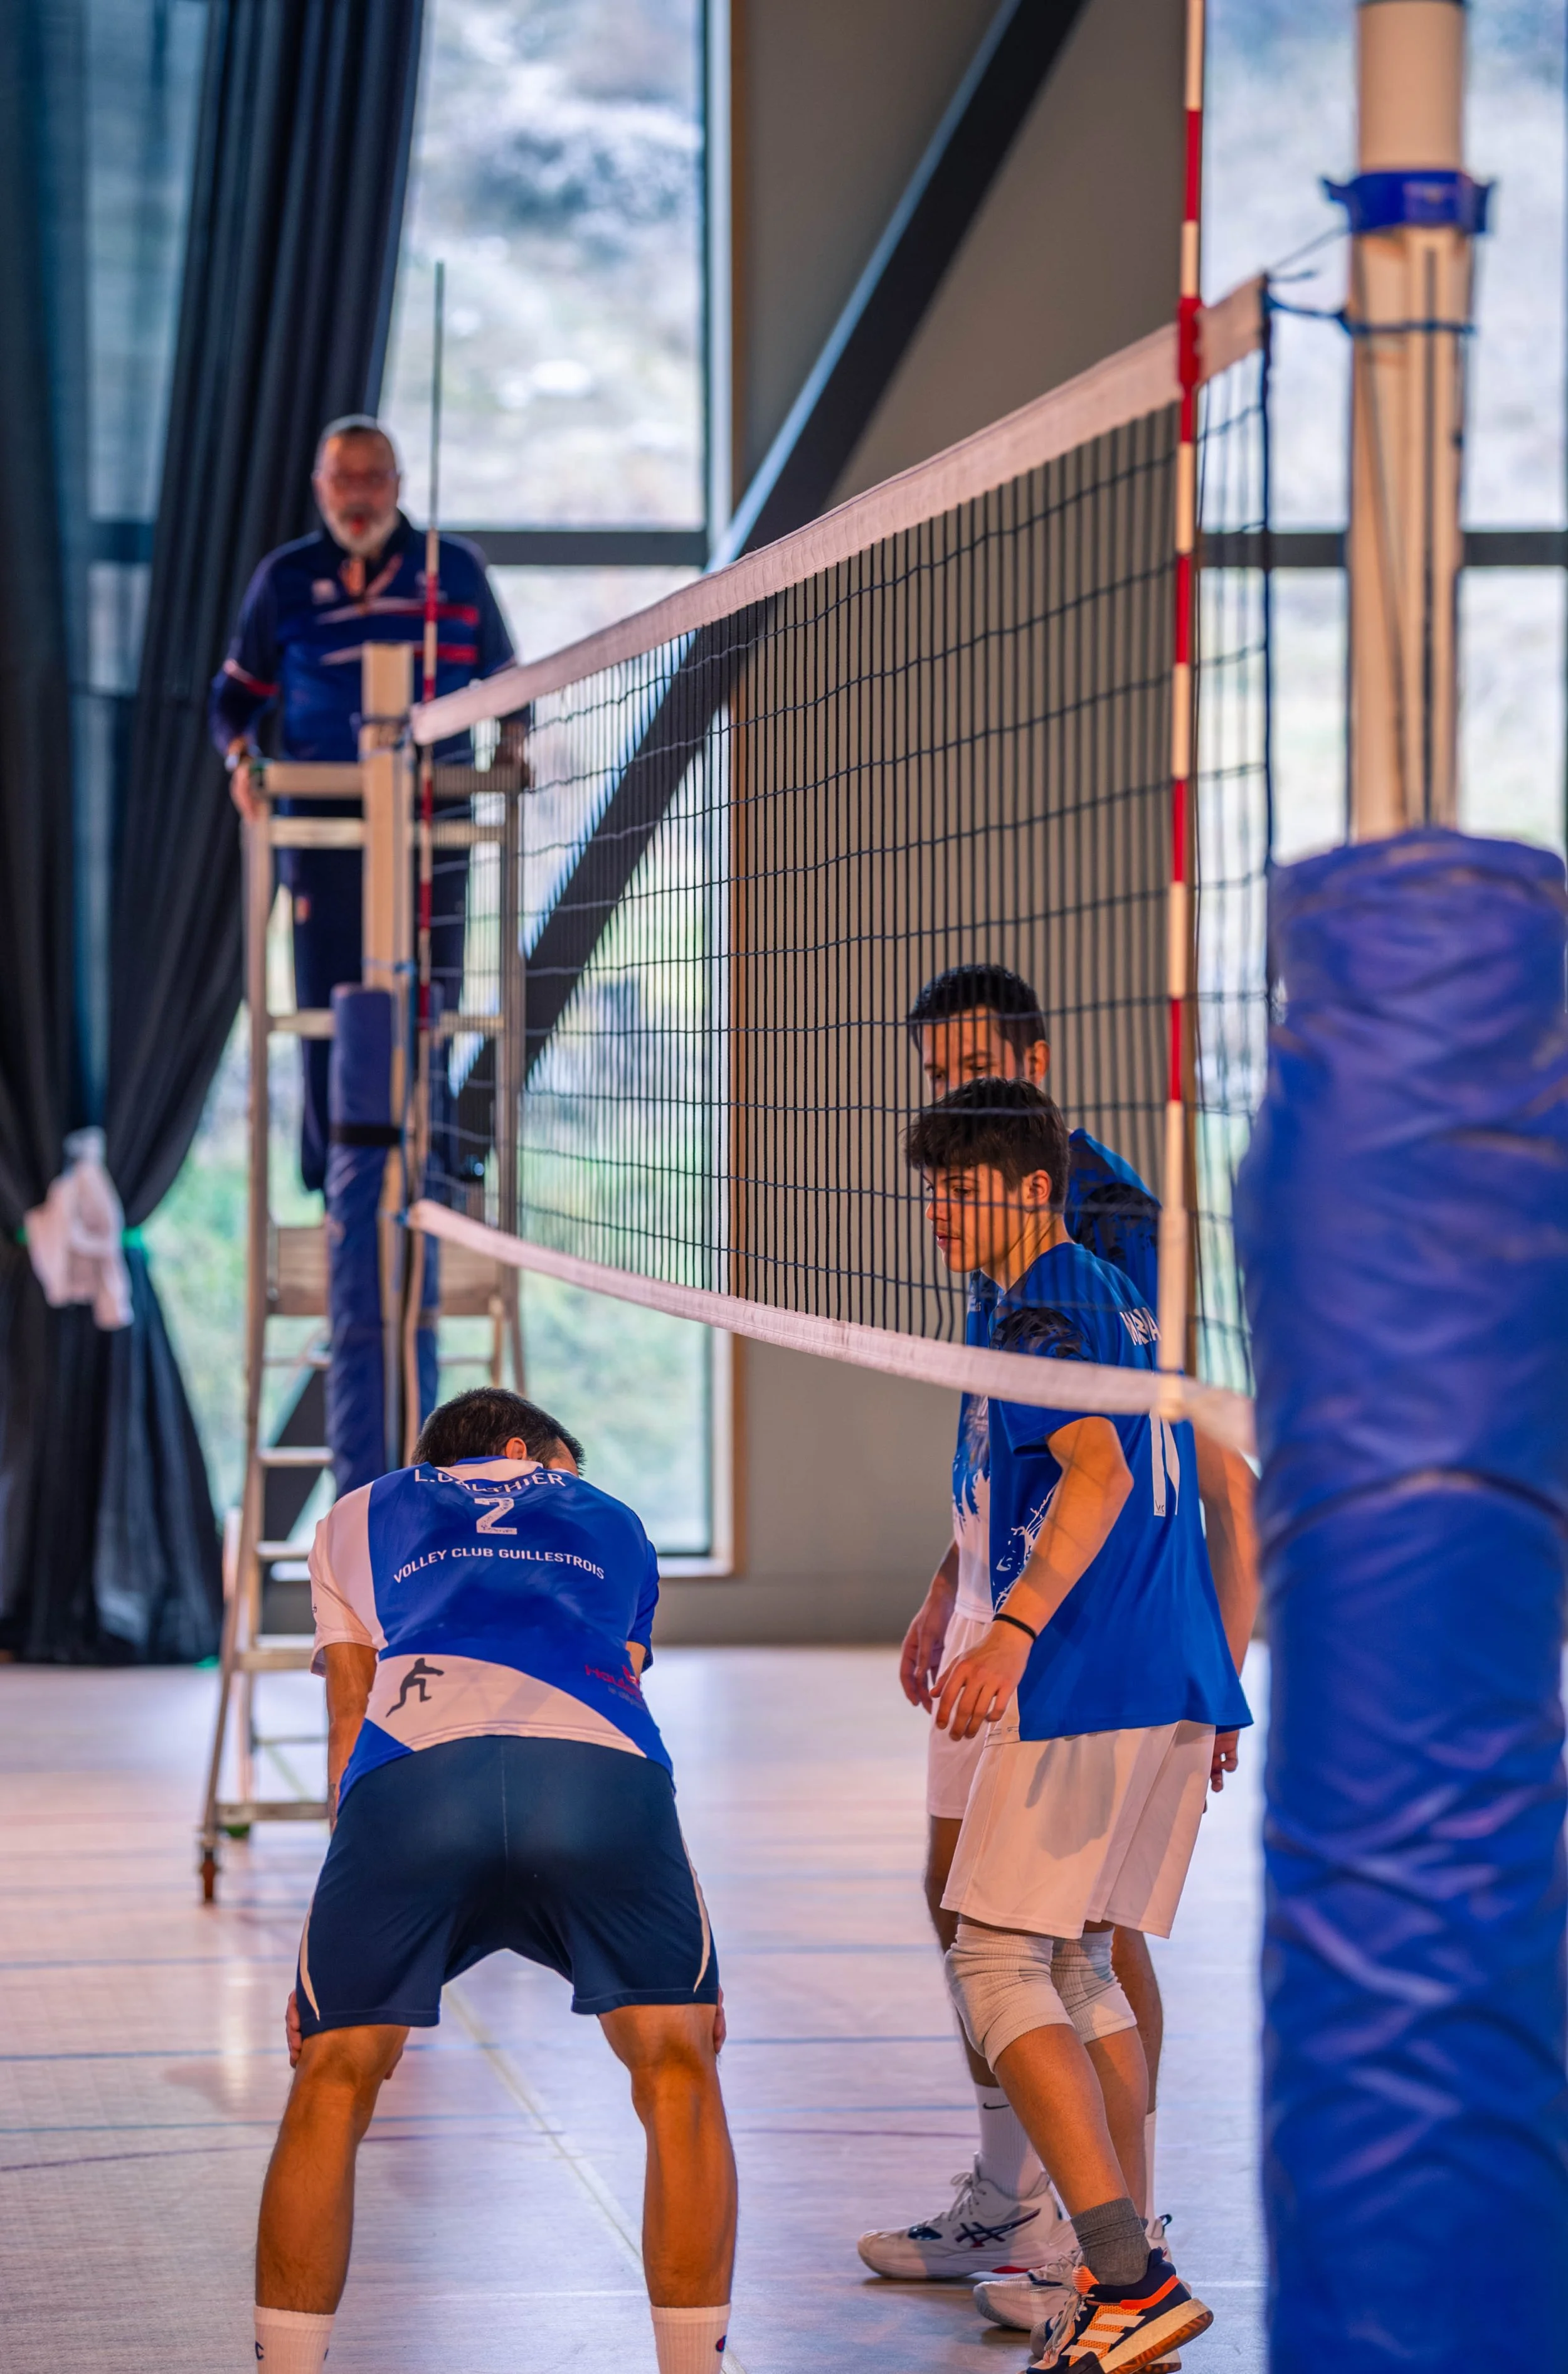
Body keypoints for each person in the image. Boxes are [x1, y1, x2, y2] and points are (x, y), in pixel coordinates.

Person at [858, 967, 1257, 2302]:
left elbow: (1107, 1471)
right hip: (1130, 1656)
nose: (937, 1207)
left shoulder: (1077, 1270)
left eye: (961, 1184)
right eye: (931, 1179)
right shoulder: (1046, 1287)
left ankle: (1114, 2265)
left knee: (996, 1947)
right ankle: (1110, 2258)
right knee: (1061, 1946)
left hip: (1091, 1657)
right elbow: (1032, 1457)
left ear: (1031, 1178)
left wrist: (1016, 1622)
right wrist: (956, 1581)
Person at [253, 1387, 736, 2374]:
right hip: (598, 1782)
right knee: (679, 2065)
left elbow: (350, 1716)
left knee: (333, 2075)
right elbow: (623, 1686)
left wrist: (332, 1939)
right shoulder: (619, 1523)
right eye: (568, 1461)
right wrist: (695, 1947)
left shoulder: (358, 1513)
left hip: (415, 1781)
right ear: (524, 1449)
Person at [209, 415, 517, 1191]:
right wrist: (241, 758)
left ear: (399, 485)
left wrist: (515, 746)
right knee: (328, 1002)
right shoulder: (285, 579)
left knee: (432, 997)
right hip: (324, 830)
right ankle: (337, 1175)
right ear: (318, 487)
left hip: (432, 824)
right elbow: (232, 701)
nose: (357, 496)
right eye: (341, 479)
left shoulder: (458, 571)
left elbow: (511, 686)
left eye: (371, 478)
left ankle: (431, 1164)